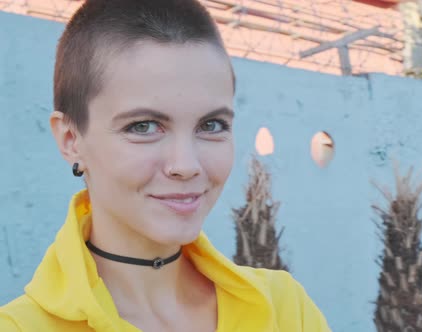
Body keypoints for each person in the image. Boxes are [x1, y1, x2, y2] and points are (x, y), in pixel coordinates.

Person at [0, 0, 331, 331]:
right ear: (71, 140)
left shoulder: (285, 309)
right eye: (143, 126)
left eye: (212, 125)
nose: (186, 166)